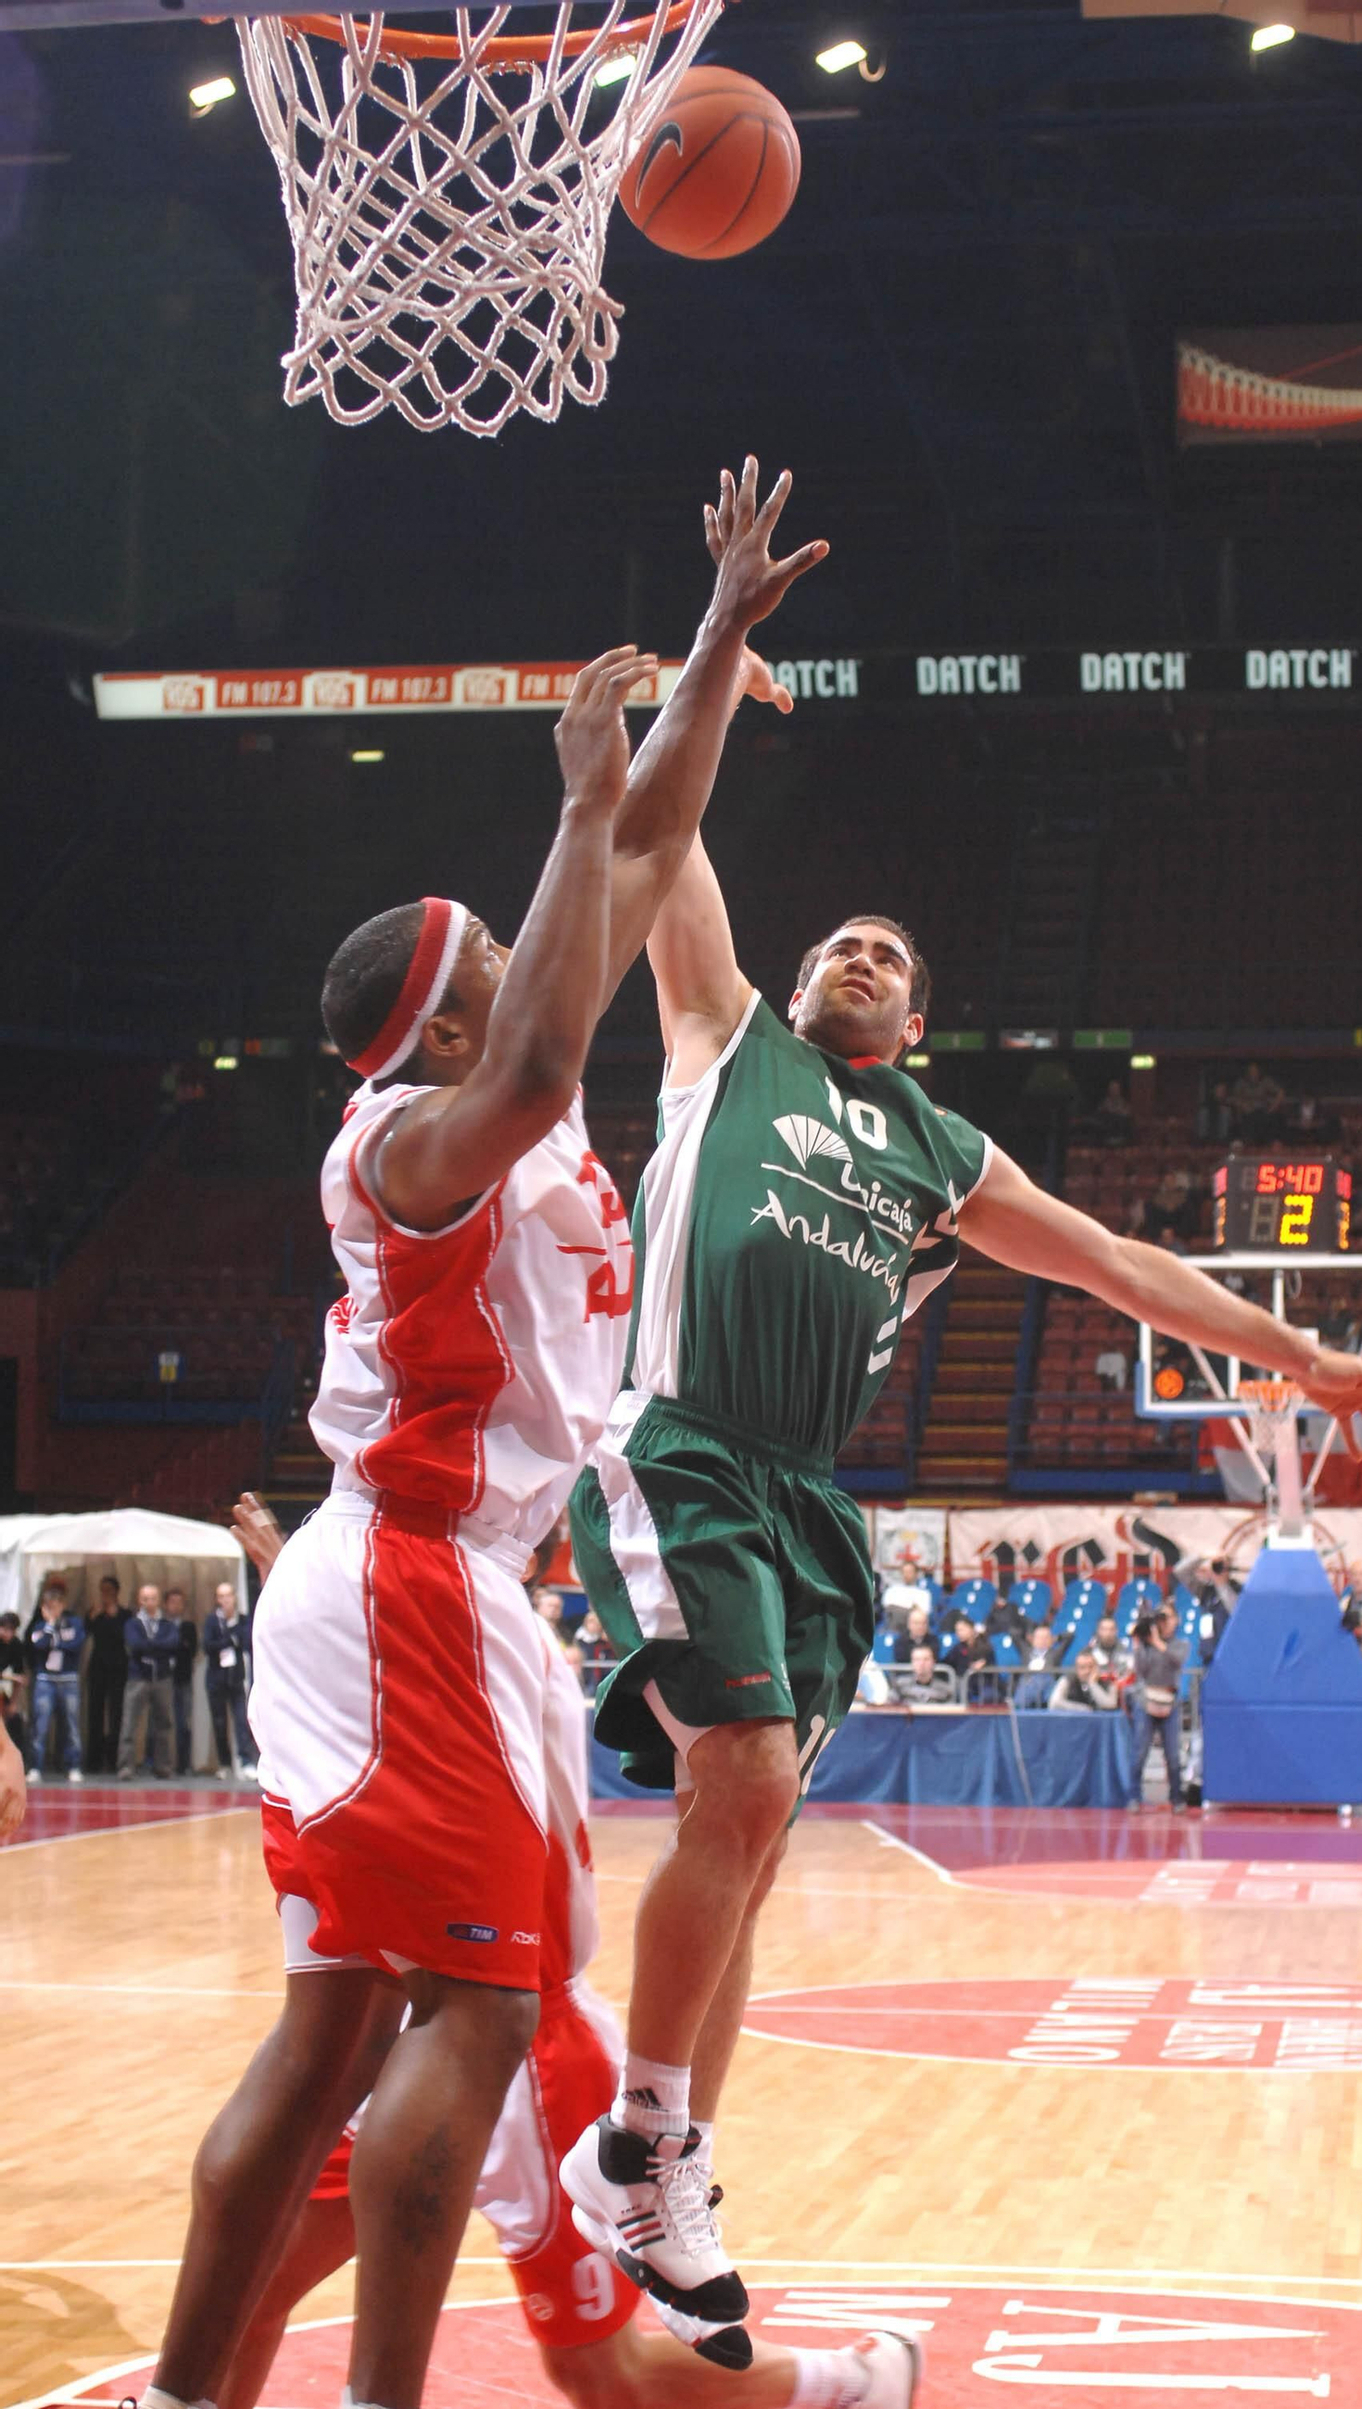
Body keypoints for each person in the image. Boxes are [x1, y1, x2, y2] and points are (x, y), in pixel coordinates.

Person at [561, 515, 1362, 2341]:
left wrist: (1311, 1357)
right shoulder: (728, 1037)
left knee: (766, 1819)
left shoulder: (941, 1152)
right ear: (796, 986)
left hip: (813, 1498)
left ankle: (677, 2150)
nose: (856, 949)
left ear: (922, 1014)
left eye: (886, 949)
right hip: (690, 1439)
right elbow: (661, 832)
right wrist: (712, 639)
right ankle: (633, 2134)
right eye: (841, 938)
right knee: (742, 1782)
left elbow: (1120, 1264)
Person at [141, 461, 827, 2409]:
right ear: (447, 1024)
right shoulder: (423, 1140)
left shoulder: (474, 1101)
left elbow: (649, 838)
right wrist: (563, 790)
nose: (549, 979)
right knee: (467, 2015)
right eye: (499, 975)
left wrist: (706, 644)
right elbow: (541, 1020)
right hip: (406, 1588)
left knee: (345, 2044)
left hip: (434, 1592)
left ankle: (200, 2394)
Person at [214, 1496, 920, 2409]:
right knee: (252, 2282)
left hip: (527, 2045)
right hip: (408, 2032)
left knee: (596, 2371)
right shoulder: (436, 1617)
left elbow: (394, 1675)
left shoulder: (497, 1641)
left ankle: (853, 2386)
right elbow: (377, 1663)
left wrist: (302, 1580)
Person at [1127, 1602, 1186, 1810]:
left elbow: (1177, 1661)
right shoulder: (1145, 1645)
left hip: (1170, 1700)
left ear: (1175, 1620)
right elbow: (1141, 1670)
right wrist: (1138, 1646)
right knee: (1139, 1751)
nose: (1162, 1621)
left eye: (1166, 1617)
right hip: (1147, 1700)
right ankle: (1134, 1796)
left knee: (1173, 1755)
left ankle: (1177, 1797)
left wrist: (1159, 1642)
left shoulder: (1180, 1644)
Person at [118, 1581, 179, 1778]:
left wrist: (150, 1646)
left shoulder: (167, 1624)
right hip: (138, 1678)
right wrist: (157, 1647)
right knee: (129, 1724)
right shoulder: (132, 1623)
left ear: (158, 1600)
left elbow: (172, 1644)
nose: (149, 1602)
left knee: (164, 1724)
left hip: (162, 1678)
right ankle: (126, 1766)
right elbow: (135, 1645)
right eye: (145, 1598)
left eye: (152, 1598)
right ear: (139, 1600)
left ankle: (163, 1766)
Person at [27, 1578, 85, 1785]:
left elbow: (76, 1645)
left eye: (56, 1605)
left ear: (63, 1604)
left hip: (68, 1679)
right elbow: (40, 1645)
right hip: (45, 1680)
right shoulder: (40, 1626)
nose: (53, 1609)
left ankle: (74, 1766)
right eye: (48, 1606)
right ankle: (35, 1766)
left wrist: (56, 1641)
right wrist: (50, 1625)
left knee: (71, 1725)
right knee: (40, 1725)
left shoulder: (74, 1622)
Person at [203, 1580, 256, 1781]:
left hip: (236, 1679)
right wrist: (229, 1639)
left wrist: (230, 1637)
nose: (225, 1600)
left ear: (234, 1597)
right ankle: (224, 1764)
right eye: (221, 1596)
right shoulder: (212, 1621)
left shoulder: (243, 1620)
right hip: (216, 1680)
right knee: (219, 1723)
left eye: (228, 1595)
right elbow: (209, 1645)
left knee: (242, 1721)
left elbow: (245, 1641)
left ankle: (246, 1761)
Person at [85, 1572, 130, 1774]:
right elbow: (86, 1633)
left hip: (118, 1668)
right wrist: (93, 1617)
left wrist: (113, 1616)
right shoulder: (95, 1612)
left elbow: (125, 1637)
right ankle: (93, 1760)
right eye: (102, 1591)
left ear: (117, 1592)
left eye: (109, 1591)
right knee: (95, 1714)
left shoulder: (125, 1614)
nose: (105, 1594)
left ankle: (114, 1759)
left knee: (116, 1714)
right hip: (97, 1668)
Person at [166, 1586, 197, 1775]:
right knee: (160, 1722)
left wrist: (175, 1645)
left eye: (179, 1602)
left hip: (183, 1678)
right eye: (172, 1602)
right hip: (162, 1678)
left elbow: (191, 1650)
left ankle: (183, 1763)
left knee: (183, 1721)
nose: (175, 1606)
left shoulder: (188, 1627)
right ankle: (157, 1762)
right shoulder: (161, 1624)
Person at [0, 1608, 28, 1769]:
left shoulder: (16, 1645)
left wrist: (13, 1703)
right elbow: (14, 1677)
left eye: (12, 1630)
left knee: (15, 1721)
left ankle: (18, 1765)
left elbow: (20, 1676)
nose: (7, 1634)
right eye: (4, 1629)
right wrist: (10, 1678)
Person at [1013, 1622, 1066, 1708]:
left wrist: (1057, 1638)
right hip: (1028, 1682)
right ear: (1032, 1639)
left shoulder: (1055, 1653)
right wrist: (1027, 1634)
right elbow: (1014, 1633)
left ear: (1051, 1640)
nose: (1043, 1640)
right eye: (1039, 1637)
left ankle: (1021, 1704)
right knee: (1029, 1682)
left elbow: (1069, 1636)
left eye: (1046, 1638)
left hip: (1047, 1684)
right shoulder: (1026, 1651)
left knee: (1042, 1678)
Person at [888, 1642, 954, 1706]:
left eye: (926, 1659)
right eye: (917, 1660)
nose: (921, 1664)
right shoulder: (899, 1686)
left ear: (933, 1662)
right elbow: (890, 1709)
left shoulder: (945, 1690)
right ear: (912, 1662)